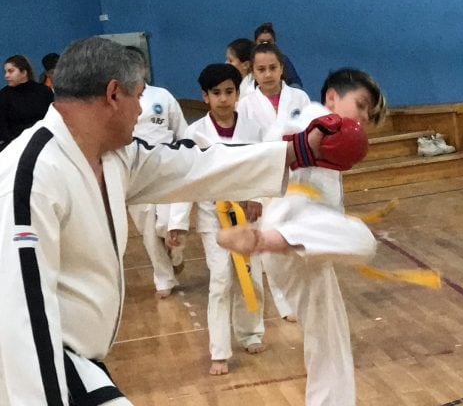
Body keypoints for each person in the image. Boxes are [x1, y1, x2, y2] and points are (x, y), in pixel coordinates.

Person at [0, 37, 355, 405]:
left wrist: (297, 151)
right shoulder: (32, 177)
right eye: (138, 97)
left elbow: (193, 164)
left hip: (77, 362)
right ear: (112, 95)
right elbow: (21, 319)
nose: (141, 110)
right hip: (32, 372)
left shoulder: (112, 156)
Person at [217, 68, 386, 406]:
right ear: (332, 97)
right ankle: (264, 239)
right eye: (362, 104)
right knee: (363, 240)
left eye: (370, 112)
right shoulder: (313, 118)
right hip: (289, 236)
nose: (365, 116)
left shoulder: (326, 131)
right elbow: (279, 141)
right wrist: (305, 142)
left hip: (307, 248)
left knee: (330, 342)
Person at [167, 63, 274, 376]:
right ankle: (219, 352)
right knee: (221, 281)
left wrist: (257, 198)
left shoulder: (253, 129)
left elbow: (264, 168)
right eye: (217, 93)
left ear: (238, 93)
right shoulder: (194, 133)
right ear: (205, 96)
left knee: (252, 278)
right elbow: (185, 178)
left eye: (229, 92)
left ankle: (251, 332)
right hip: (212, 216)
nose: (224, 99)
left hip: (247, 214)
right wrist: (177, 221)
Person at [237, 42, 311, 322]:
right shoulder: (245, 105)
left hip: (298, 179)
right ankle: (283, 301)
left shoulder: (299, 99)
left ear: (282, 68)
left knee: (297, 242)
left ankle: (301, 295)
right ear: (252, 72)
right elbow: (246, 151)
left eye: (272, 68)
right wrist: (252, 195)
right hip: (264, 181)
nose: (267, 74)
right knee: (270, 246)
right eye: (261, 69)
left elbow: (309, 140)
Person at [124, 45, 188, 298]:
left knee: (165, 224)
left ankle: (176, 249)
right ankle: (163, 277)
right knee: (148, 231)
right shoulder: (118, 99)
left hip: (166, 166)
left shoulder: (162, 96)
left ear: (144, 69)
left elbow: (181, 130)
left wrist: (185, 154)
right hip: (134, 172)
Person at [0, 55, 54, 151]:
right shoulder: (3, 95)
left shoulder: (44, 91)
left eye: (11, 71)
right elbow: (2, 127)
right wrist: (17, 144)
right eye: (5, 72)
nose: (6, 75)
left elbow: (53, 119)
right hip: (14, 146)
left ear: (24, 72)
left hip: (44, 143)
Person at [254, 22, 303, 88]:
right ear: (255, 42)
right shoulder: (249, 61)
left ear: (274, 42)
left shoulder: (283, 59)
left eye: (269, 42)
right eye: (262, 42)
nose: (265, 44)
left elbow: (295, 83)